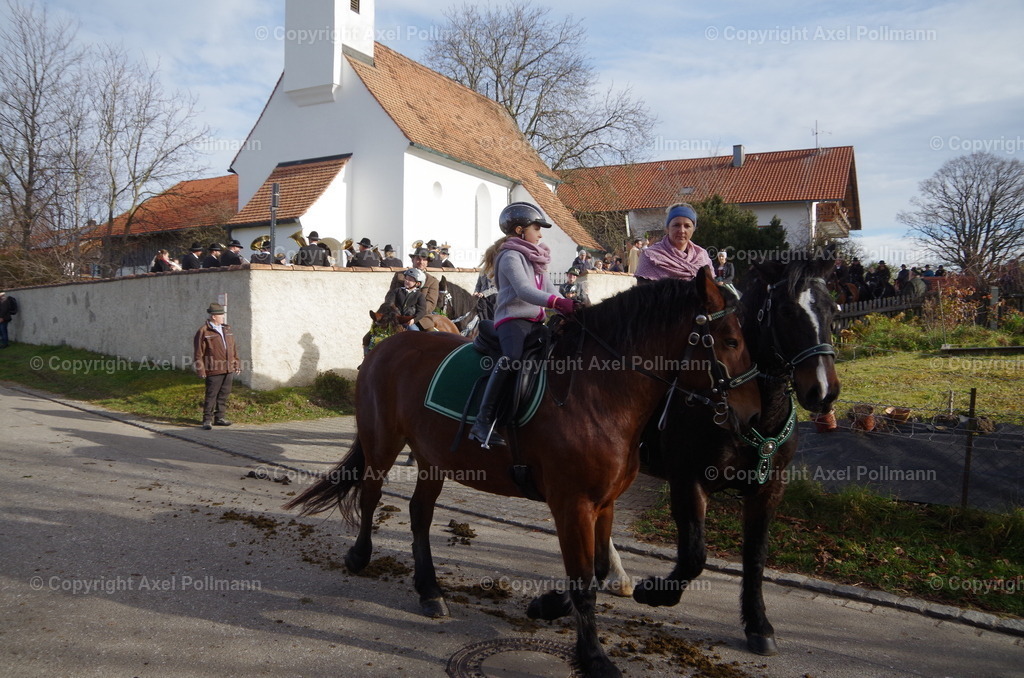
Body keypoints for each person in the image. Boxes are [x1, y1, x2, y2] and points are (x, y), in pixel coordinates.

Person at [468, 202, 576, 448]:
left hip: (536, 321)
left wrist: (569, 304)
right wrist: (557, 302)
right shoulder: (509, 256)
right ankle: (482, 422)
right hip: (512, 321)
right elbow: (525, 291)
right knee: (512, 359)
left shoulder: (536, 258)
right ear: (519, 230)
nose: (540, 233)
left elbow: (549, 289)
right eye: (536, 228)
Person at [634, 203, 713, 284]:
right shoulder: (650, 257)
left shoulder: (702, 257)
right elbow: (643, 294)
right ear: (667, 228)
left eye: (687, 226)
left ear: (693, 229)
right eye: (676, 225)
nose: (682, 230)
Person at [193, 302, 241, 430]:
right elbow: (198, 352)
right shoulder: (203, 331)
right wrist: (201, 369)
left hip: (228, 368)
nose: (223, 317)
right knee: (211, 394)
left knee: (224, 393)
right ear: (214, 316)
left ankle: (219, 417)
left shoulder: (227, 329)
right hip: (213, 368)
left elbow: (233, 349)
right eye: (221, 315)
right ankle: (207, 420)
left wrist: (236, 364)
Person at [387, 247, 441, 329]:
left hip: (420, 317)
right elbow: (390, 295)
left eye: (424, 260)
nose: (421, 262)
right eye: (418, 259)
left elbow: (431, 304)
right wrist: (396, 311)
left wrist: (413, 314)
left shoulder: (432, 281)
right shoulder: (399, 276)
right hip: (396, 314)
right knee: (371, 335)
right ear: (412, 259)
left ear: (427, 262)